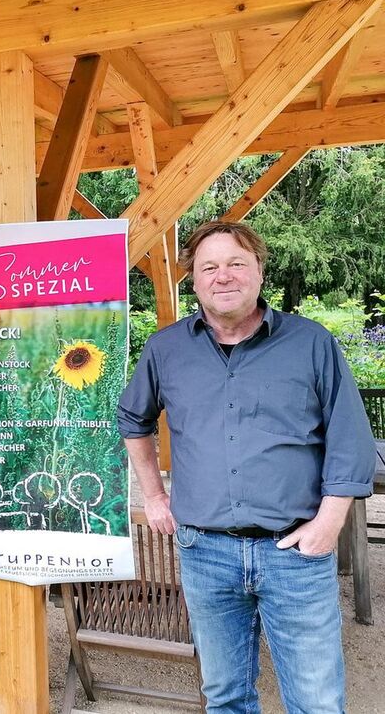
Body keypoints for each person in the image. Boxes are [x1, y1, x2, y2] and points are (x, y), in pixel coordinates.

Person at [117, 220, 375, 713]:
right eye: (209, 266)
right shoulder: (166, 349)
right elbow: (133, 417)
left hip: (295, 550)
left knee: (317, 700)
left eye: (237, 263)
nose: (224, 276)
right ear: (193, 279)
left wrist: (330, 521)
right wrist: (153, 496)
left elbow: (349, 435)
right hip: (205, 551)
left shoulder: (311, 342)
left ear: (259, 271)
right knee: (225, 696)